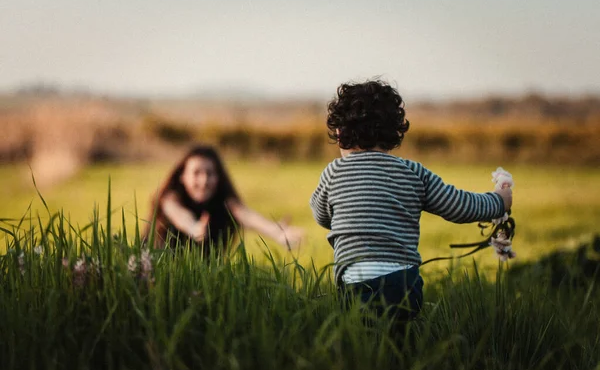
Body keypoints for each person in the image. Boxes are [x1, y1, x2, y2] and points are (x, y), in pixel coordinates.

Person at [310, 80, 512, 324]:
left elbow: (321, 215)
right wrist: (499, 201)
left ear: (340, 134)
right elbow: (459, 206)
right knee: (400, 339)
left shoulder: (334, 172)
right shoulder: (413, 172)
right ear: (395, 131)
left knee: (362, 341)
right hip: (402, 284)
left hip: (354, 281)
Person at [144, 144, 304, 256]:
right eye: (196, 173)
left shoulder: (225, 202)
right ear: (182, 176)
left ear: (218, 177)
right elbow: (177, 214)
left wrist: (277, 232)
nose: (204, 180)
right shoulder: (170, 198)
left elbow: (246, 215)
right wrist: (193, 228)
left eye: (210, 173)